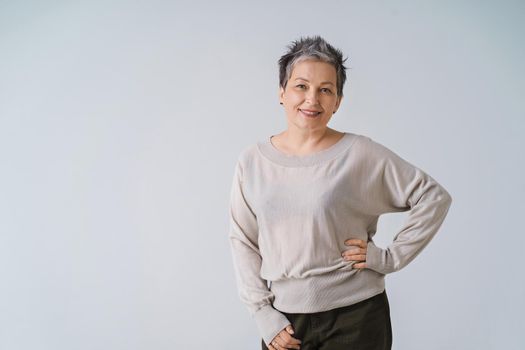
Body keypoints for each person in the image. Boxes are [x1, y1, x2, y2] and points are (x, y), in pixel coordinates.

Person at [227, 35, 452, 350]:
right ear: (282, 92)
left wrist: (390, 258)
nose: (312, 100)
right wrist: (263, 313)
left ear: (338, 101)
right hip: (286, 323)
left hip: (357, 318)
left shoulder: (359, 153)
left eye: (325, 90)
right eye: (301, 86)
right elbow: (244, 241)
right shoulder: (252, 161)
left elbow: (433, 197)